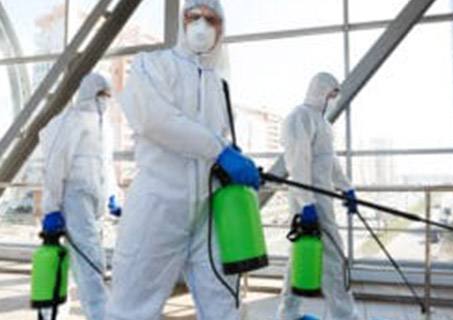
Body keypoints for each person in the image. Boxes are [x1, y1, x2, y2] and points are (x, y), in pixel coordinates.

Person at [106, 0, 259, 319]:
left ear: (221, 29)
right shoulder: (153, 64)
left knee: (224, 303)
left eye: (211, 19)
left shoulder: (220, 85)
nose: (201, 25)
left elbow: (218, 139)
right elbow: (154, 119)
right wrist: (219, 150)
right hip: (159, 205)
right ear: (182, 21)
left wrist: (230, 158)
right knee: (132, 307)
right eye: (194, 16)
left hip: (209, 209)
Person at [277, 72, 361, 320]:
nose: (333, 99)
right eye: (332, 94)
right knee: (334, 258)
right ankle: (345, 316)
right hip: (309, 201)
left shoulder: (323, 124)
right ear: (321, 91)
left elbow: (329, 161)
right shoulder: (299, 118)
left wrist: (346, 188)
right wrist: (307, 204)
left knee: (298, 257)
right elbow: (297, 164)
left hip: (321, 200)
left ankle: (288, 314)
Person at [40, 72, 121, 320]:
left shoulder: (104, 127)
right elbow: (55, 165)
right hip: (73, 199)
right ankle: (100, 315)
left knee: (74, 260)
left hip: (93, 203)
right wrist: (51, 206)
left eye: (108, 96)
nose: (105, 101)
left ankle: (51, 312)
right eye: (102, 95)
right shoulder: (72, 121)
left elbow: (106, 165)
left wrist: (113, 196)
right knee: (90, 261)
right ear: (89, 94)